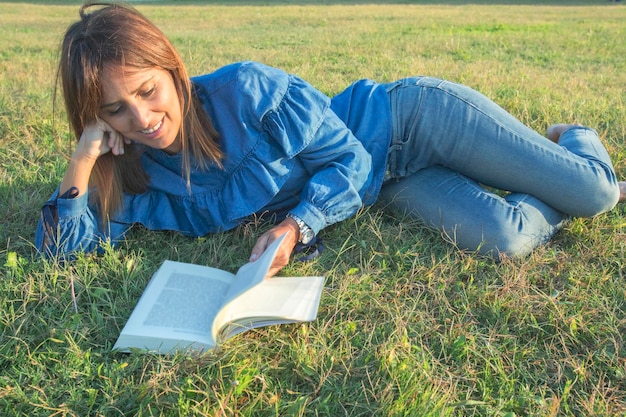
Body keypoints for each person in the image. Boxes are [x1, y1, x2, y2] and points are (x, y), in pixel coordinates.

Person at [36, 2, 625, 277]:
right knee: (505, 237)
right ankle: (542, 176)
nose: (140, 118)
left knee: (598, 194)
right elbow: (63, 256)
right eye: (114, 110)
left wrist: (297, 225)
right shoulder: (134, 170)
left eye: (147, 91)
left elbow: (344, 157)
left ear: (169, 67)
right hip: (383, 182)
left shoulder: (245, 91)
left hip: (410, 120)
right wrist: (83, 160)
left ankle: (572, 139)